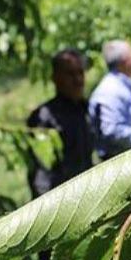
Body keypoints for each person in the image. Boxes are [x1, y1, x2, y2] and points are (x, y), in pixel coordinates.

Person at [25, 48, 95, 198]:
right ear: (56, 78)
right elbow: (41, 175)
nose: (77, 80)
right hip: (58, 203)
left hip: (86, 197)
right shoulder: (43, 117)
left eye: (80, 73)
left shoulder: (86, 109)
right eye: (70, 74)